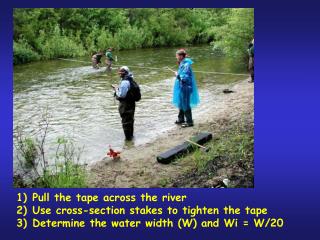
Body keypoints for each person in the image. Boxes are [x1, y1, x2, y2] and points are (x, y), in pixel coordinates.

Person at [172, 49, 200, 128]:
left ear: (181, 56)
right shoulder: (183, 63)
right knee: (181, 103)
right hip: (182, 87)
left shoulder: (186, 64)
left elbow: (185, 78)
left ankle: (189, 122)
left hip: (186, 88)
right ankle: (181, 119)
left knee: (185, 104)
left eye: (177, 55)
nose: (176, 57)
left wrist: (177, 75)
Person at [112, 66, 136, 141]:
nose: (119, 74)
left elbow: (122, 95)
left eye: (120, 73)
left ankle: (128, 139)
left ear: (123, 73)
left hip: (125, 105)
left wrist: (116, 90)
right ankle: (131, 136)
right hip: (131, 103)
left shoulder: (124, 82)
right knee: (130, 119)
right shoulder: (131, 79)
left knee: (125, 121)